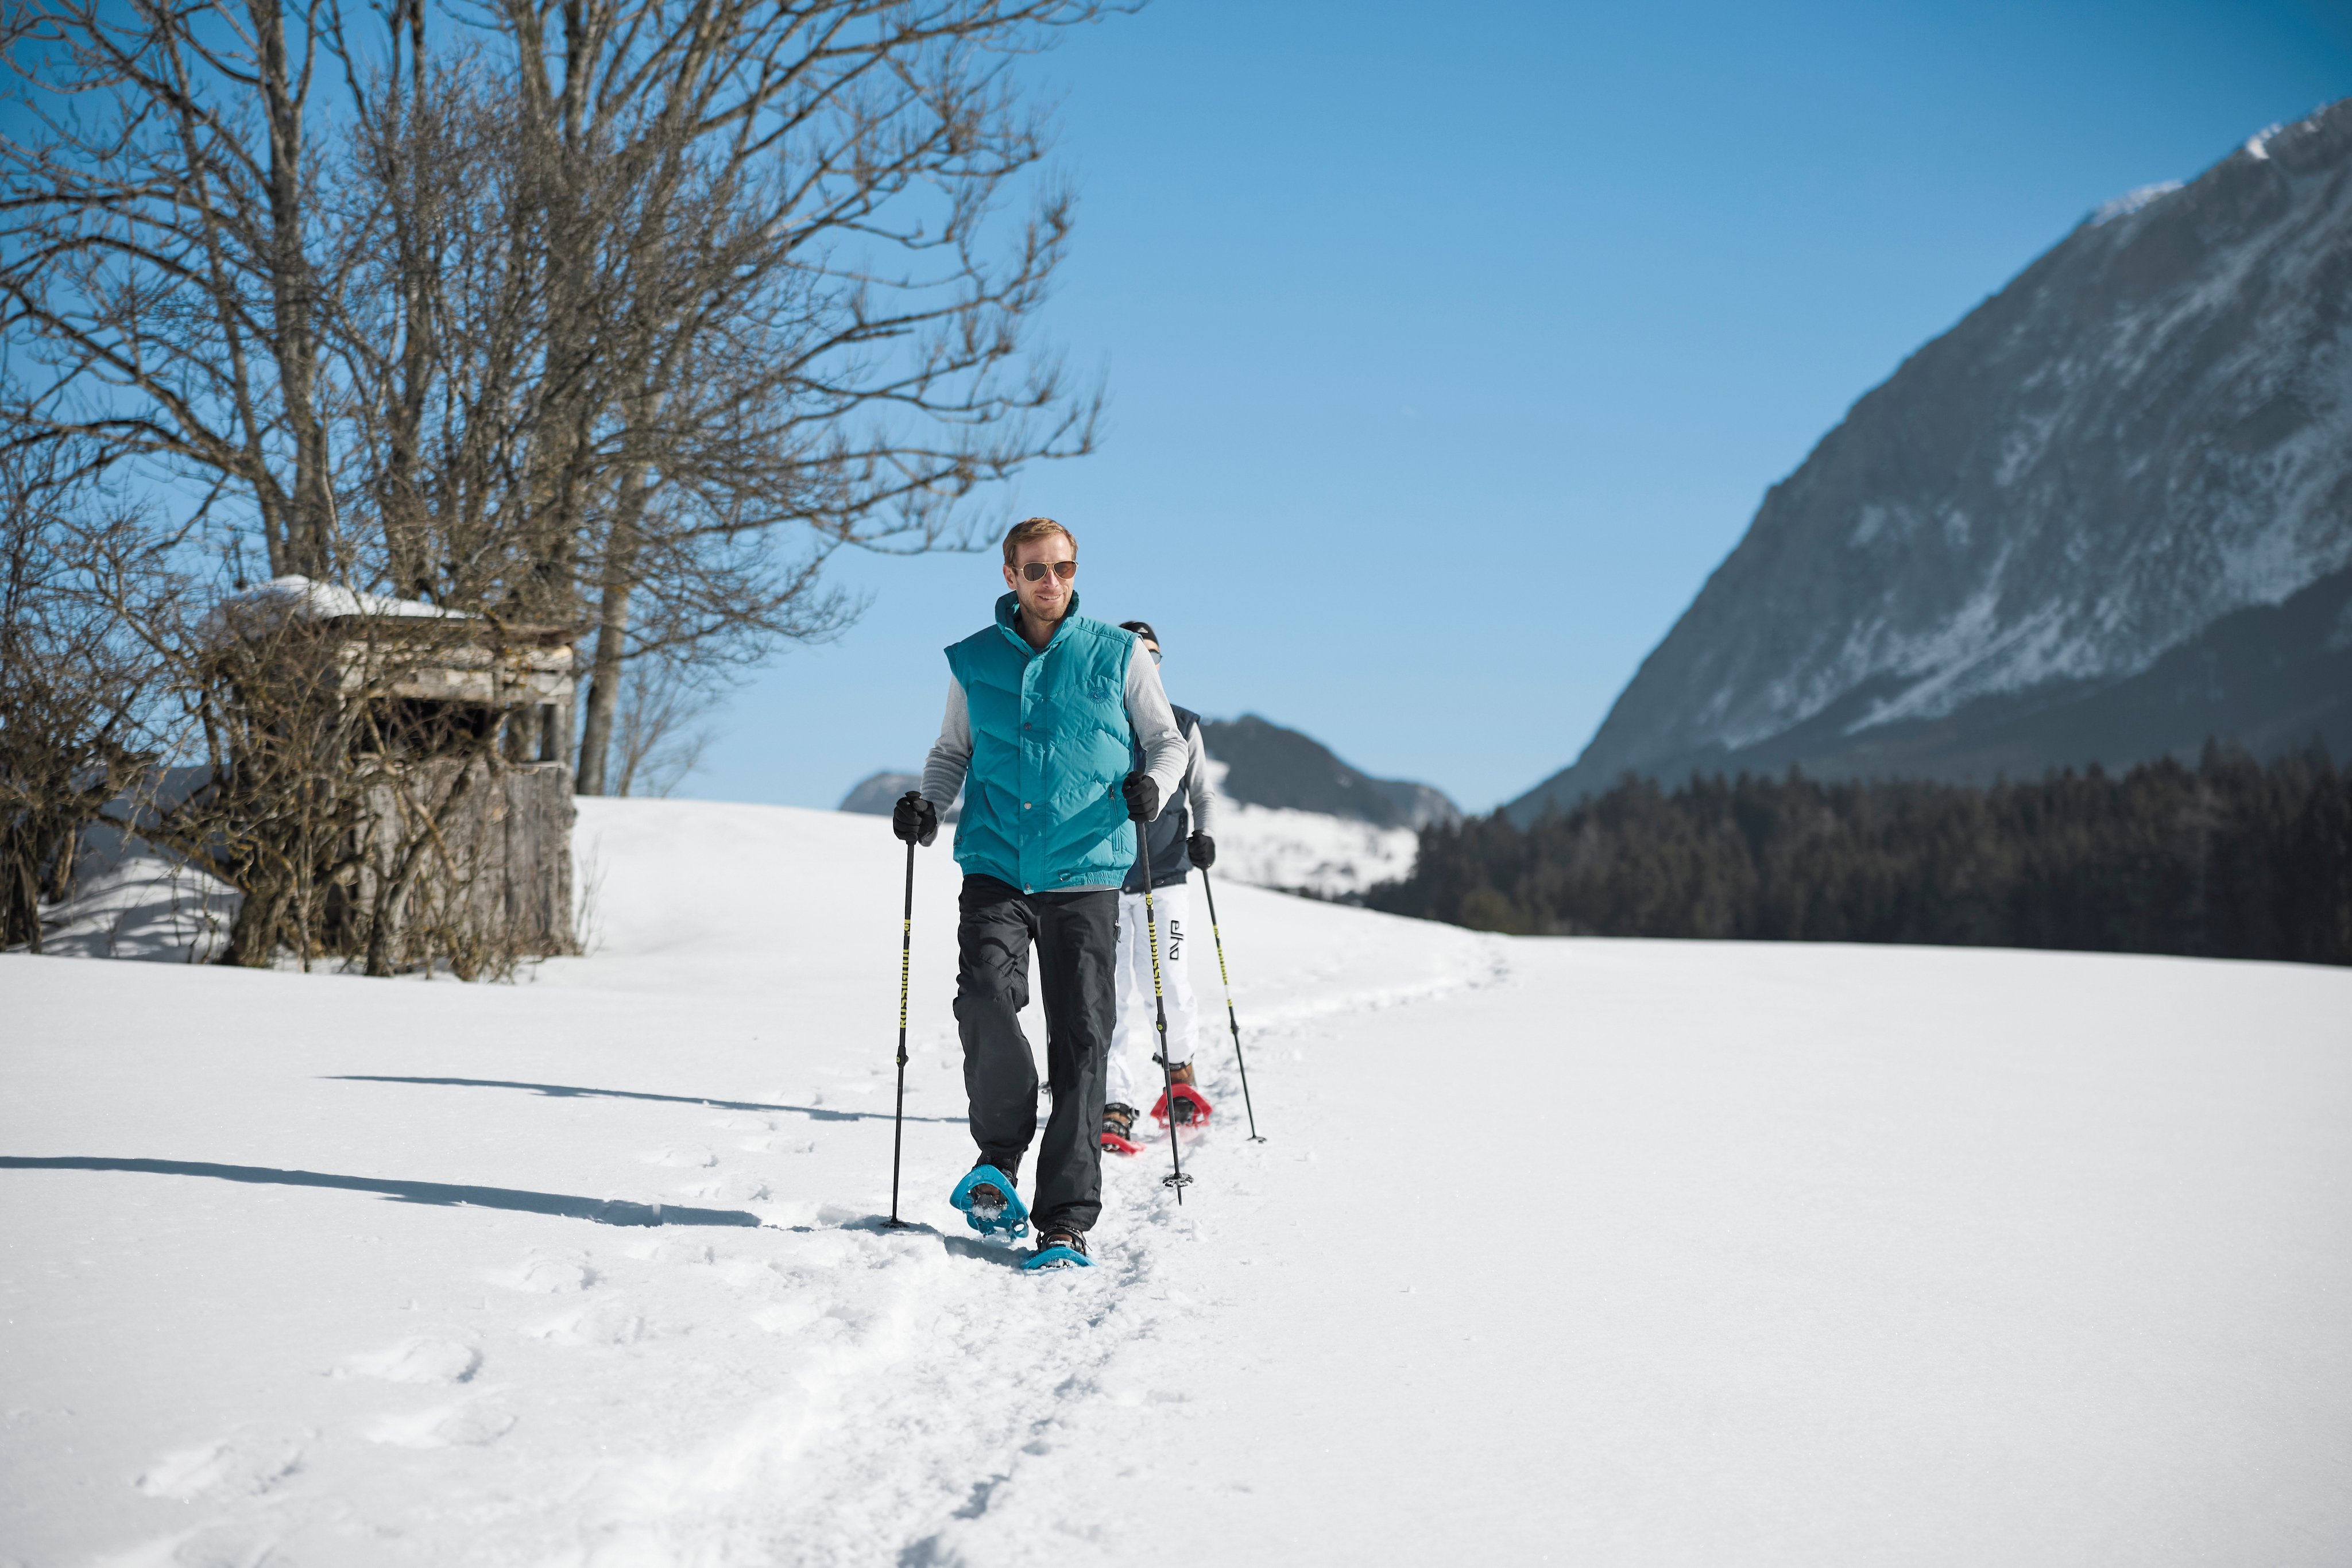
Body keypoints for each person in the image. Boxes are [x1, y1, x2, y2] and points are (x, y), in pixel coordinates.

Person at [892, 517, 1187, 1269]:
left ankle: (1065, 1219)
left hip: (1087, 867)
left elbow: (1166, 741)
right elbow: (953, 750)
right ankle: (998, 1156)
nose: (1048, 581)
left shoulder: (1117, 653)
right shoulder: (974, 659)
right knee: (985, 995)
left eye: (1060, 568)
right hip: (996, 860)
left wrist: (1153, 784)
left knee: (1082, 1039)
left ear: (1074, 571)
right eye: (1034, 569)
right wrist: (929, 803)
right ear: (1009, 575)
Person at [1101, 621, 1220, 1155]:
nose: (1144, 663)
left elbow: (1203, 793)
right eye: (1135, 654)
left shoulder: (1181, 724)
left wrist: (1205, 836)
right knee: (1111, 994)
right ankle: (1114, 1100)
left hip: (1166, 874)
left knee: (1166, 981)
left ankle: (1179, 1073)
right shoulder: (1100, 721)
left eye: (1151, 655)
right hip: (1105, 878)